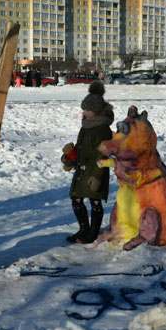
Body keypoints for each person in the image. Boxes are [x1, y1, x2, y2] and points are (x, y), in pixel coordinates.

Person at [61, 80, 114, 244]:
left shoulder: (103, 128)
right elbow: (81, 147)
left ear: (95, 111)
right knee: (76, 199)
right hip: (82, 169)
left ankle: (93, 232)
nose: (83, 111)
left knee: (94, 200)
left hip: (96, 171)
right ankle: (83, 229)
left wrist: (98, 176)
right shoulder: (85, 126)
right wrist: (70, 157)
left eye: (86, 109)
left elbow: (105, 153)